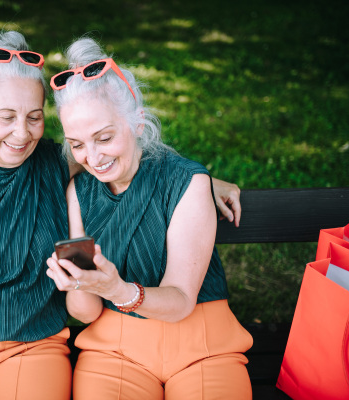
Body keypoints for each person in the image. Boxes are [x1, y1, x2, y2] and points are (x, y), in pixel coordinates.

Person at [0, 30, 242, 400]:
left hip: (32, 346)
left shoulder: (57, 165)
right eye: (6, 117)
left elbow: (130, 155)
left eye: (35, 117)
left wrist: (199, 179)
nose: (22, 133)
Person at [46, 37, 253, 400]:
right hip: (115, 349)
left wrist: (118, 290)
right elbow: (88, 314)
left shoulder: (186, 183)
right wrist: (77, 285)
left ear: (138, 124)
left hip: (201, 343)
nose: (92, 158)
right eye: (77, 144)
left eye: (104, 137)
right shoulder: (78, 193)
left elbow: (181, 301)